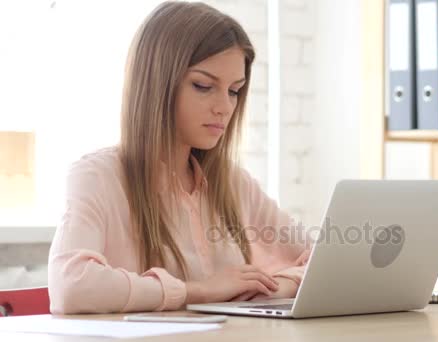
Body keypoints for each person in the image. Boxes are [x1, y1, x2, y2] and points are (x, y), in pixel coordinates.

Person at [48, 1, 310, 314]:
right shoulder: (98, 177)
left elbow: (323, 260)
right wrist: (198, 291)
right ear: (157, 83)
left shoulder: (233, 183)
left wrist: (283, 284)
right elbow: (71, 287)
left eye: (234, 90)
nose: (225, 107)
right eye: (203, 86)